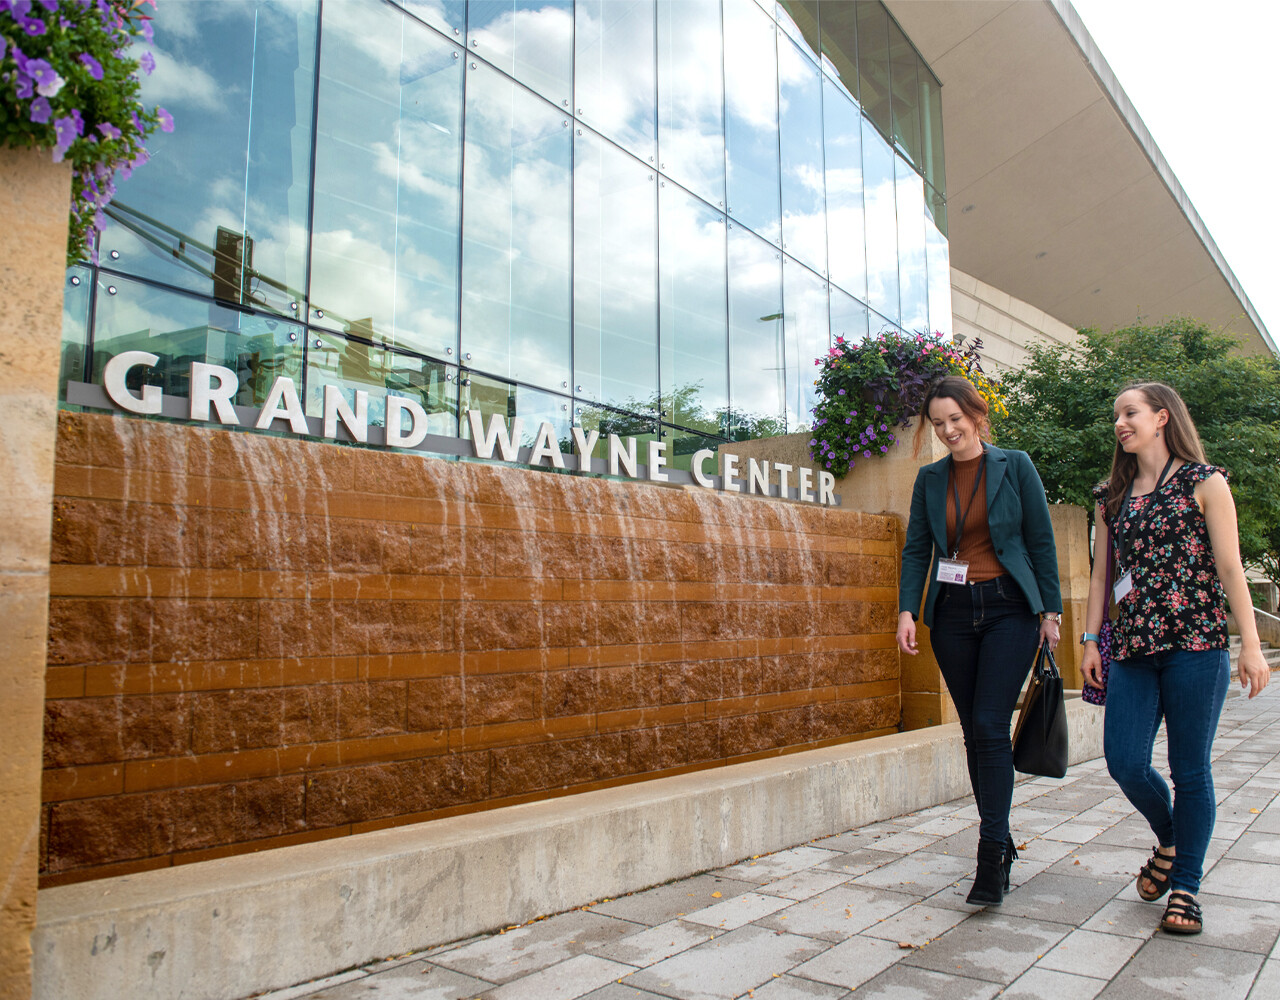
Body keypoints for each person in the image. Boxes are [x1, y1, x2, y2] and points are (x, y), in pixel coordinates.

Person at [1081, 382, 1269, 936]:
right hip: (1134, 650)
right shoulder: (1111, 496)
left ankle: (1185, 887)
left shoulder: (1205, 482)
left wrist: (1252, 645)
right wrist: (1092, 642)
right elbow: (1099, 577)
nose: (1120, 422)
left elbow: (1231, 569)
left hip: (1196, 647)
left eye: (1130, 412)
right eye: (1117, 414)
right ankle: (1171, 839)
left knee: (1190, 772)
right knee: (1124, 761)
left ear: (1162, 418)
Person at [897, 375, 1062, 907]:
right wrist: (907, 609)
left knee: (992, 723)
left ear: (976, 415)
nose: (948, 430)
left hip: (1009, 608)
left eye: (955, 420)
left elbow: (1039, 539)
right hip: (952, 615)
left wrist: (1049, 610)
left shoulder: (1015, 465)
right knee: (975, 733)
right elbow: (918, 549)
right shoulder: (929, 479)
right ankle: (1002, 838)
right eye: (938, 423)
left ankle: (990, 851)